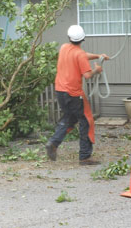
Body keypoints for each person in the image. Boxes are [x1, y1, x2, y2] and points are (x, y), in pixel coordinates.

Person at [45, 25, 110, 166]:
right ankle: (85, 157)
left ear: (69, 38)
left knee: (70, 118)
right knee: (86, 120)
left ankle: (53, 143)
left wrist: (98, 56)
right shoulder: (79, 54)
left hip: (60, 91)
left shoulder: (64, 48)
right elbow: (87, 75)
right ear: (83, 38)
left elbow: (81, 55)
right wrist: (96, 70)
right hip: (73, 94)